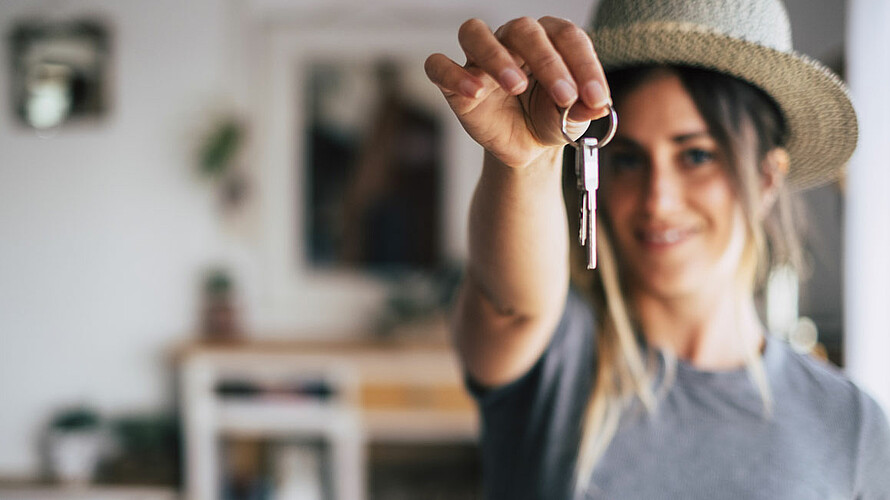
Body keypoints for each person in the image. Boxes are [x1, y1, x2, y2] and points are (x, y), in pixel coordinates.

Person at [424, 0, 890, 498]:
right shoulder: (557, 358)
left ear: (766, 176)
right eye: (626, 160)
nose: (658, 200)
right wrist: (524, 161)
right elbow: (510, 306)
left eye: (696, 155)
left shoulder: (850, 427)